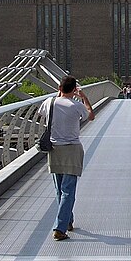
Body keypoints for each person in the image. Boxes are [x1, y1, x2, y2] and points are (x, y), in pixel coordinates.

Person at [39, 75, 95, 241]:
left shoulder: (49, 102)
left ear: (59, 88)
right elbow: (90, 116)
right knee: (68, 191)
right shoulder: (76, 105)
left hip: (54, 149)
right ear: (74, 90)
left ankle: (67, 221)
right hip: (71, 149)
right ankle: (60, 227)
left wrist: (58, 97)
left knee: (59, 190)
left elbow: (41, 114)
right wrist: (84, 97)